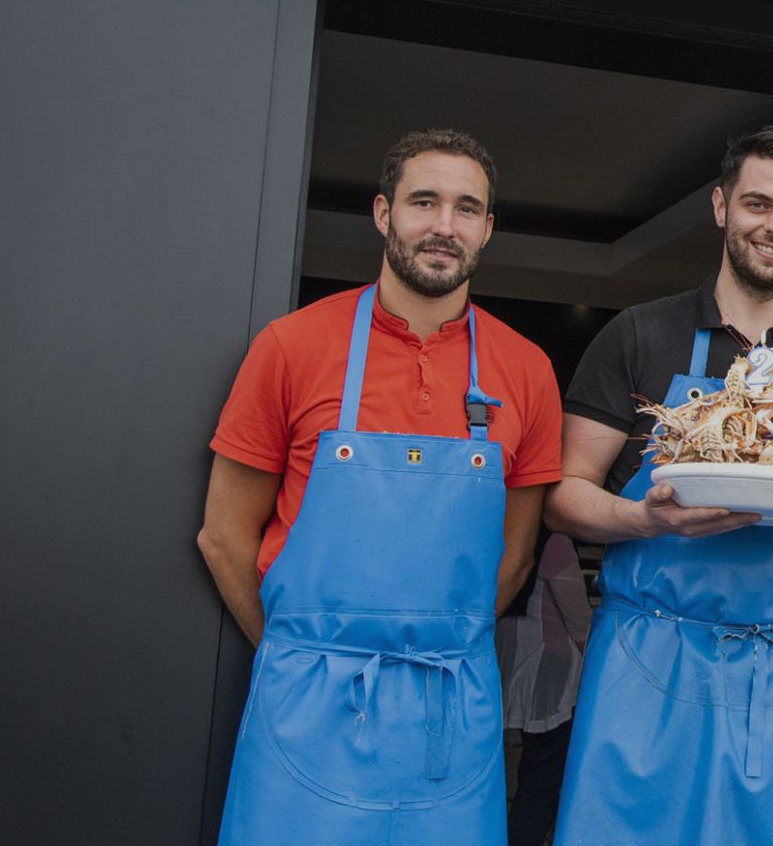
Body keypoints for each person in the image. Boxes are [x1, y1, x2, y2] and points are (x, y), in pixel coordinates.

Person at [197, 128, 564, 845]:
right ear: (383, 213)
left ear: (487, 227)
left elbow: (515, 554)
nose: (442, 225)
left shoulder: (525, 370)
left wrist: (436, 644)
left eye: (466, 208)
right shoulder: (291, 346)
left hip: (451, 712)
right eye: (423, 202)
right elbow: (223, 536)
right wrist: (299, 657)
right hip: (303, 709)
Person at [546, 124, 773, 845]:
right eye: (756, 204)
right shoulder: (640, 335)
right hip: (647, 663)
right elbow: (563, 492)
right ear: (719, 207)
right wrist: (645, 520)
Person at [496, 532, 592, 846]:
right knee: (543, 772)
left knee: (508, 764)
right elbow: (577, 615)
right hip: (550, 669)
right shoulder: (555, 542)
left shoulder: (505, 535)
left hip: (507, 659)